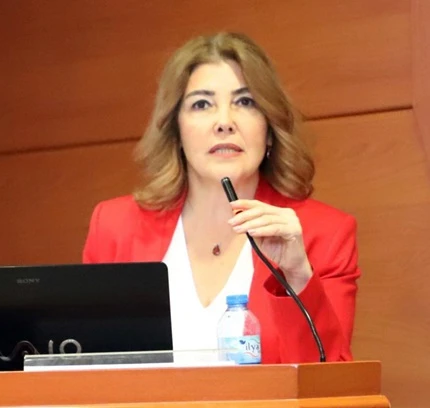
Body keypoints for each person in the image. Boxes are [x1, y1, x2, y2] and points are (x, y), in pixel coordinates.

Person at [81, 32, 360, 363]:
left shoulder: (324, 233)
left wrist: (298, 274)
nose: (224, 122)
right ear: (176, 131)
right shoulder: (115, 228)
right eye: (202, 104)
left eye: (246, 102)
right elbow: (88, 368)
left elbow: (330, 379)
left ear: (270, 129)